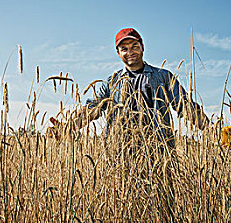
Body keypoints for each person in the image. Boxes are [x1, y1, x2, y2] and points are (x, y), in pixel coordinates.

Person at [50, 27, 209, 152]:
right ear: (118, 53)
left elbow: (186, 107)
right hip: (121, 153)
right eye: (124, 48)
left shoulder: (163, 77)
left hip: (159, 151)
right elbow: (91, 110)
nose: (130, 52)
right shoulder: (112, 82)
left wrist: (211, 131)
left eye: (134, 46)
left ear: (142, 47)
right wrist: (67, 128)